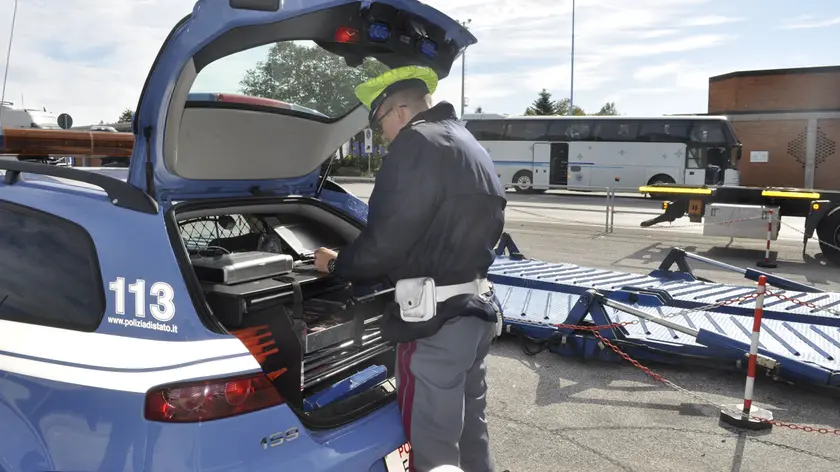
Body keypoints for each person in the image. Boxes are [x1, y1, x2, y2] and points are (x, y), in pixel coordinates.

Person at [313, 65, 507, 472]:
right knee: (472, 432)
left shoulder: (415, 143)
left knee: (432, 448)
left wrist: (337, 264)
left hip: (434, 323)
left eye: (380, 123)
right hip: (477, 310)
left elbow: (386, 241)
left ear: (397, 112)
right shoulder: (471, 145)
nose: (383, 136)